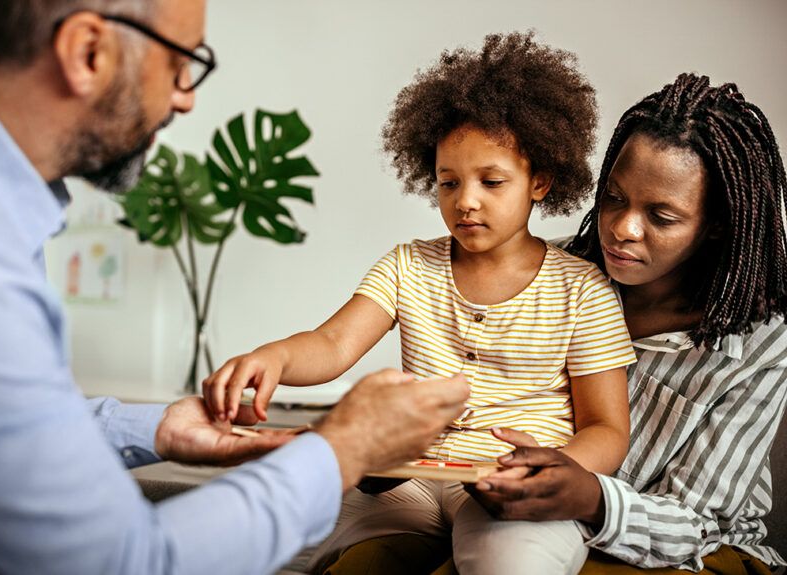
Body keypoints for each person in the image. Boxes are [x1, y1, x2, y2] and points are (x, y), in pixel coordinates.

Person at [0, 1, 471, 573]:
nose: (187, 100)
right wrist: (341, 449)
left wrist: (158, 427)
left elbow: (0, 430)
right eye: (182, 64)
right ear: (88, 51)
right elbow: (124, 560)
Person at [203, 32, 637, 574]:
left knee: (511, 566)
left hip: (514, 489)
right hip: (411, 482)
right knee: (356, 562)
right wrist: (275, 359)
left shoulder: (583, 290)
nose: (465, 201)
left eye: (491, 181)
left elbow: (607, 428)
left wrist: (554, 471)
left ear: (541, 182)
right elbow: (334, 342)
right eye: (448, 182)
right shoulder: (409, 265)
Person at [332, 73, 787, 574]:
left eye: (660, 216)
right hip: (513, 508)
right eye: (614, 198)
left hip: (682, 550)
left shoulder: (762, 343)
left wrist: (589, 496)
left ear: (717, 223)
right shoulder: (556, 271)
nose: (621, 228)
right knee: (363, 560)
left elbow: (697, 521)